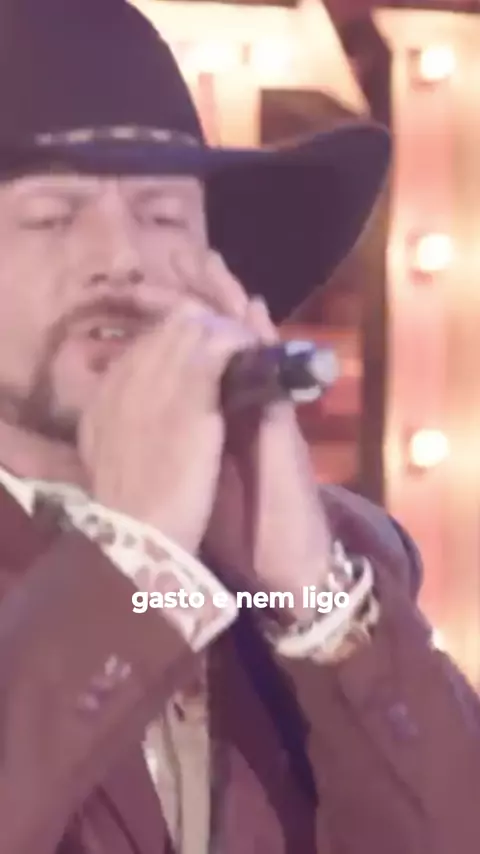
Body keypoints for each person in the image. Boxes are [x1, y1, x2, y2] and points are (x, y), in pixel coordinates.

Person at [0, 1, 479, 853]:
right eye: (52, 218)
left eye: (162, 216)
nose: (122, 257)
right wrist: (133, 557)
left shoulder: (338, 560)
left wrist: (315, 605)